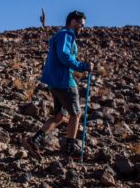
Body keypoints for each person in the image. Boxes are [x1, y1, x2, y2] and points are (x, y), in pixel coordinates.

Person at [23, 10, 93, 161]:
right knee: (76, 114)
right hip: (64, 80)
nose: (82, 27)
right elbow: (64, 56)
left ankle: (33, 141)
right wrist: (82, 66)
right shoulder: (67, 34)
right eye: (81, 24)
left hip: (54, 81)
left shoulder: (60, 35)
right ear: (73, 22)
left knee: (59, 116)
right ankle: (69, 151)